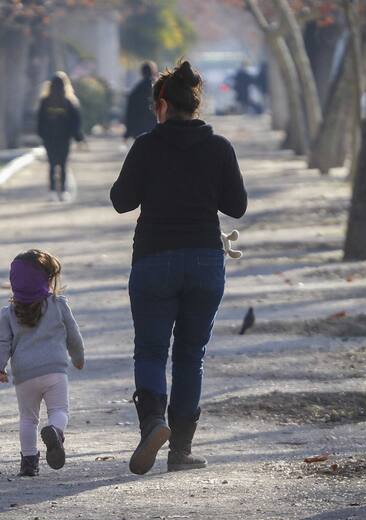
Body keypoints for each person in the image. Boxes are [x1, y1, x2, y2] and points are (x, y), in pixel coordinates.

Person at [110, 61, 248, 475]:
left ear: (163, 104)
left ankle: (153, 422)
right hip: (205, 260)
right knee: (191, 354)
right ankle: (182, 450)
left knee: (151, 350)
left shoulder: (146, 145)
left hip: (154, 258)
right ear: (196, 104)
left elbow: (122, 201)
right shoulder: (219, 147)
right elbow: (236, 206)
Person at [0, 249, 85, 477]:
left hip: (25, 375)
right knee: (60, 410)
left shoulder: (9, 313)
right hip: (54, 370)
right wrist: (78, 358)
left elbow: (2, 342)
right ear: (47, 279)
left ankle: (29, 464)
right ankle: (55, 430)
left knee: (28, 419)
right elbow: (74, 336)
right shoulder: (58, 305)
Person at [37, 72, 85, 202]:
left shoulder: (45, 102)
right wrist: (78, 138)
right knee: (63, 165)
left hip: (49, 139)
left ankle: (52, 191)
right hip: (64, 139)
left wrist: (43, 135)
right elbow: (76, 122)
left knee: (52, 165)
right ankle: (63, 191)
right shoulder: (70, 102)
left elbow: (40, 121)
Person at [124, 61, 157, 141]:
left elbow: (130, 112)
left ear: (142, 72)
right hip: (155, 129)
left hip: (139, 130)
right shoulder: (158, 88)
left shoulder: (136, 90)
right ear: (154, 71)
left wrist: (128, 132)